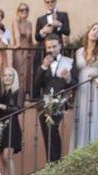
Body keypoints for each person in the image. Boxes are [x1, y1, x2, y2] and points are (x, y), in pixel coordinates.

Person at [34, 33, 77, 163]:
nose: (51, 49)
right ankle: (50, 161)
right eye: (49, 47)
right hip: (44, 103)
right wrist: (43, 67)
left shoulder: (69, 62)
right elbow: (36, 85)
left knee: (52, 128)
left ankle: (56, 160)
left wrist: (68, 78)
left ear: (60, 46)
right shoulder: (44, 62)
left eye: (54, 46)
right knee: (46, 133)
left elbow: (75, 82)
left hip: (60, 101)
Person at [70, 23, 98, 149]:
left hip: (96, 86)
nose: (95, 32)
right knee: (81, 116)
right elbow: (74, 73)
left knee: (95, 114)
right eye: (94, 29)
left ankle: (94, 146)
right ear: (89, 31)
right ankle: (80, 147)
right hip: (82, 88)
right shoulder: (79, 52)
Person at [0, 67, 23, 175]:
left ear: (14, 78)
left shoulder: (18, 91)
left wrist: (1, 106)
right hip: (3, 127)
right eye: (5, 75)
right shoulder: (1, 93)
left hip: (13, 127)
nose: (7, 78)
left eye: (10, 75)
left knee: (7, 156)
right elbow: (1, 113)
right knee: (3, 158)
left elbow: (19, 109)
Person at [11, 3, 34, 107]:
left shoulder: (29, 23)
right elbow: (16, 36)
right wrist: (17, 45)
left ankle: (25, 97)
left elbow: (31, 40)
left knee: (27, 74)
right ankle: (18, 99)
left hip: (27, 50)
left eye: (26, 10)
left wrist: (33, 51)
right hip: (19, 50)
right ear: (18, 12)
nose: (24, 12)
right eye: (21, 10)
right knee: (20, 73)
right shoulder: (15, 22)